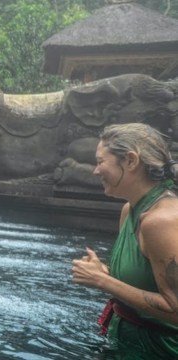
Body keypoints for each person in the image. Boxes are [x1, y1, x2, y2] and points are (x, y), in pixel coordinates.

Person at [72, 123, 178, 358]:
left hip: (161, 351)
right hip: (127, 344)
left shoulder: (161, 221)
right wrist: (107, 273)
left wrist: (103, 281)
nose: (95, 171)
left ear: (131, 161)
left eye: (100, 161)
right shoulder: (130, 210)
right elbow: (145, 284)